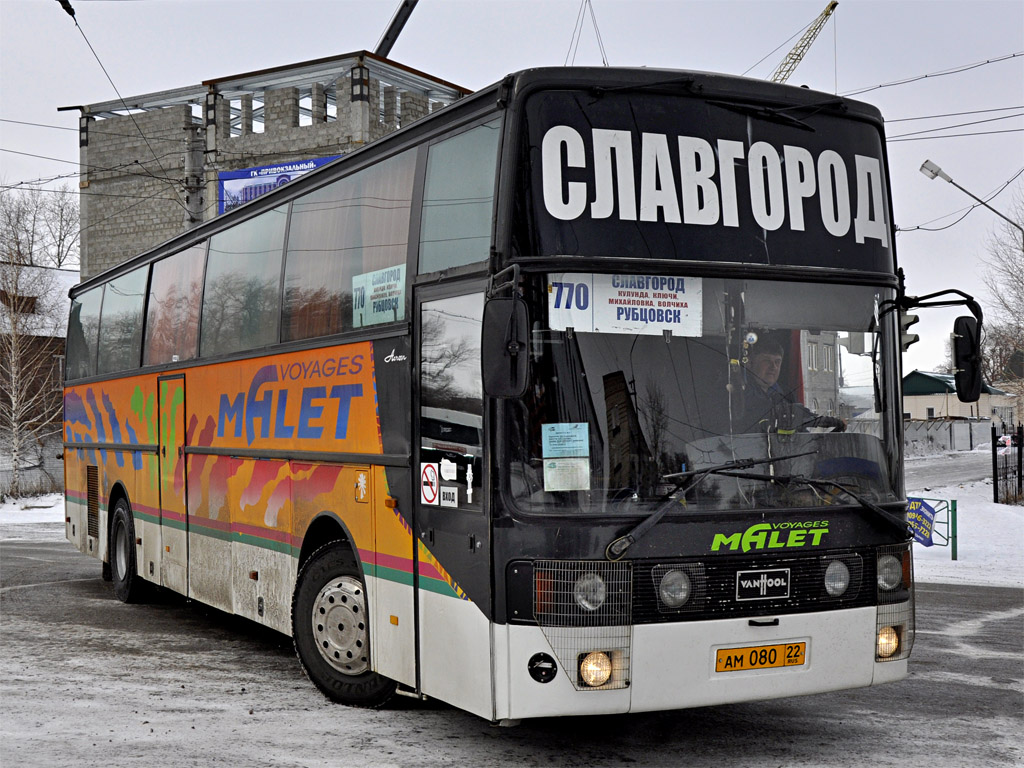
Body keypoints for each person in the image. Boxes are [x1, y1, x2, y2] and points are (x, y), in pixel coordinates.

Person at [742, 339, 846, 433]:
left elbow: (801, 424)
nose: (773, 367)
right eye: (766, 361)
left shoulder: (786, 394)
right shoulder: (742, 392)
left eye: (777, 362)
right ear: (750, 363)